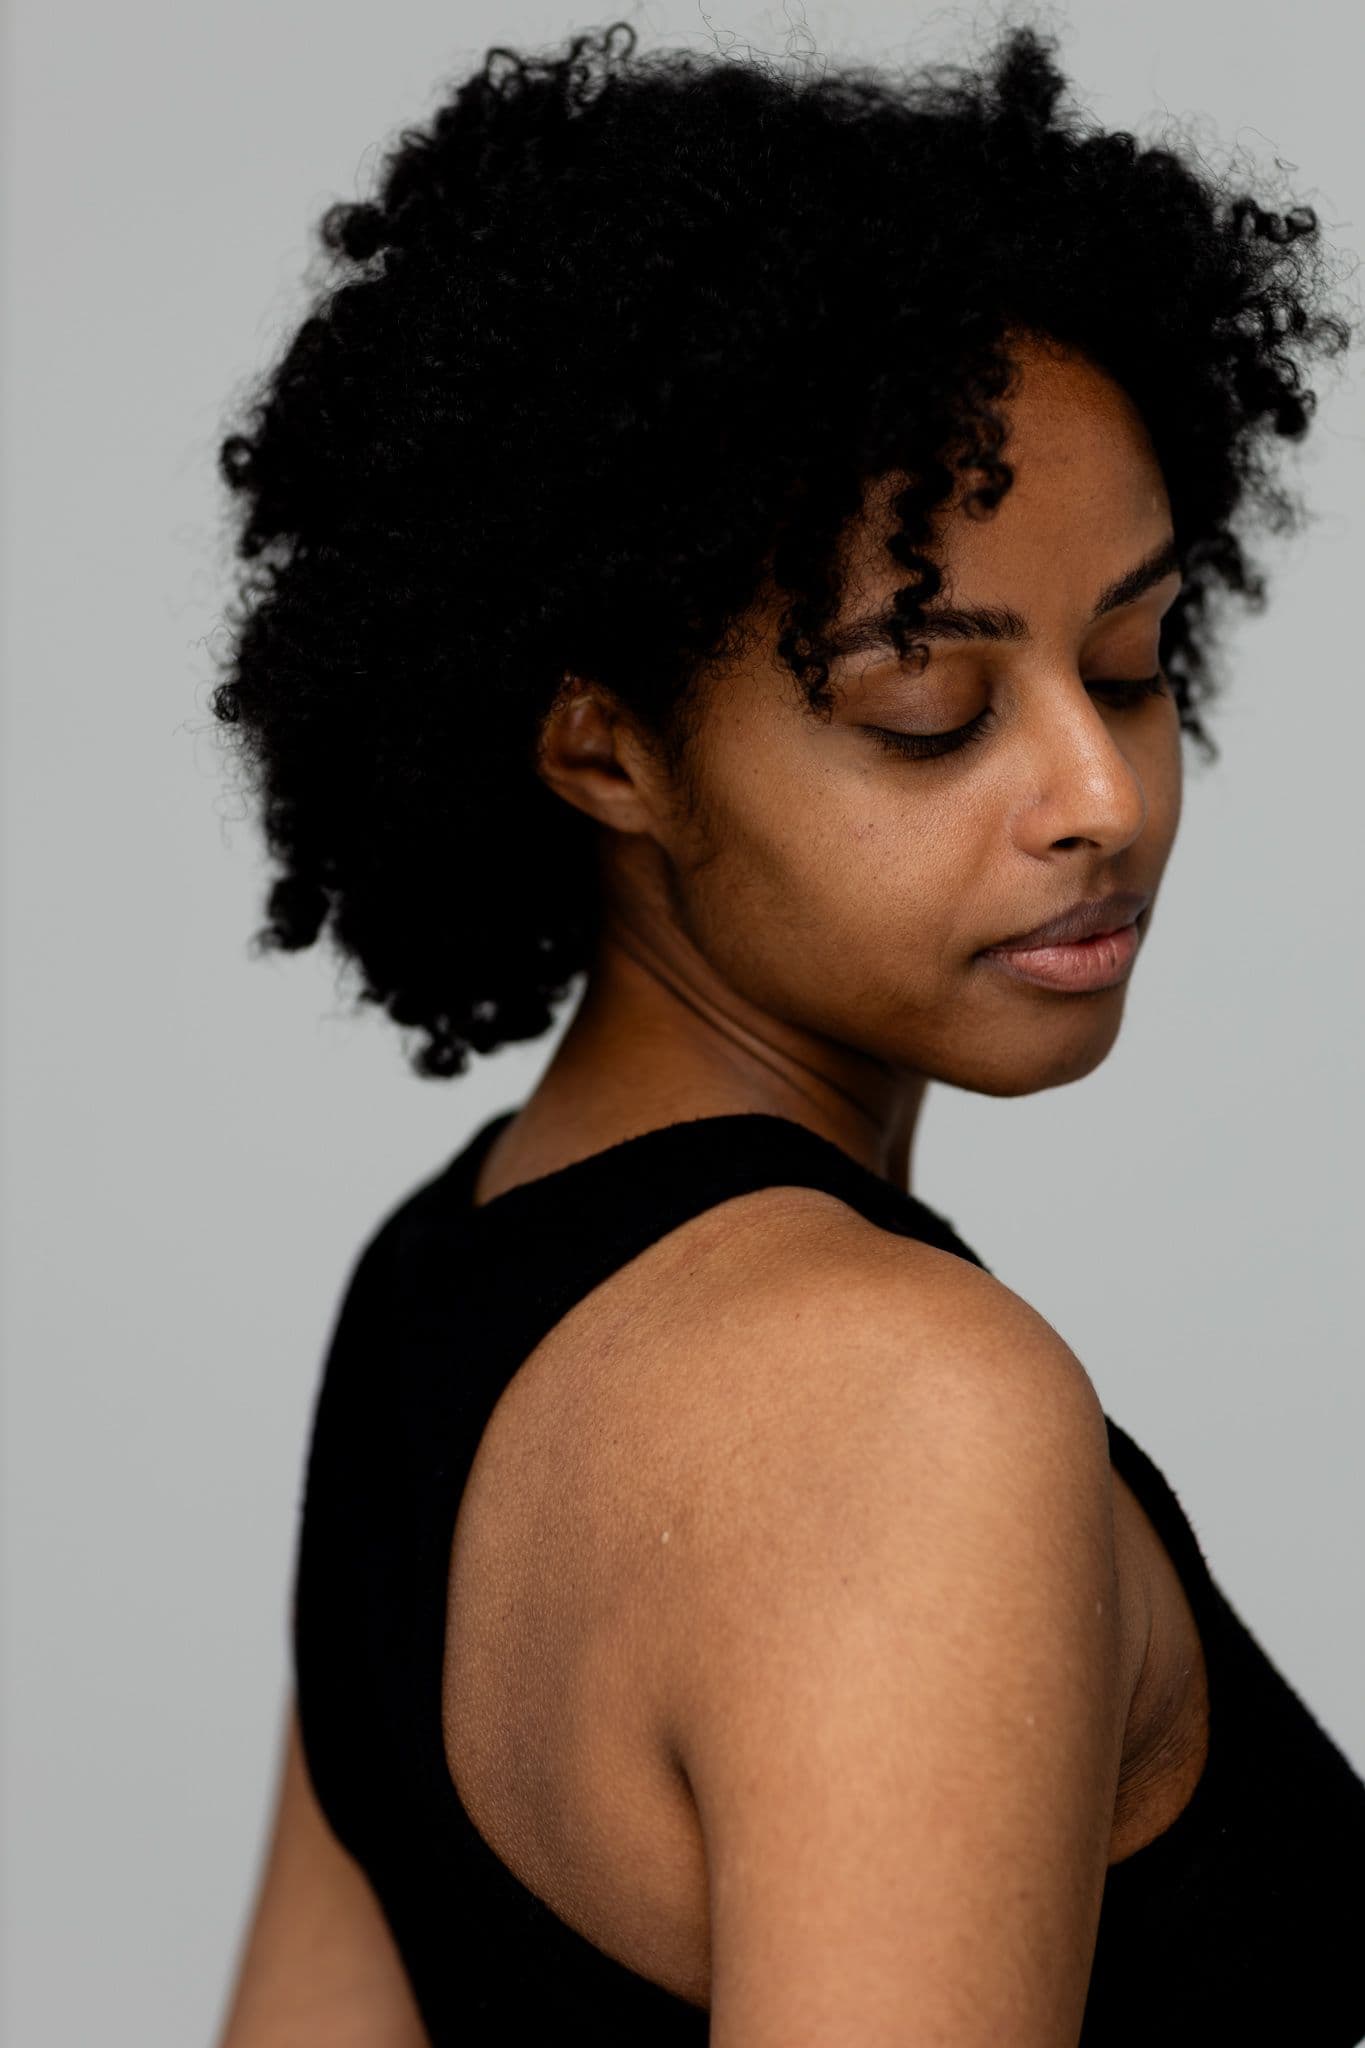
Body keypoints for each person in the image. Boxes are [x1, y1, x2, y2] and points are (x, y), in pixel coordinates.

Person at [209, 18, 1365, 2046]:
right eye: (927, 710)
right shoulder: (905, 1420)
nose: (1096, 793)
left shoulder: (430, 1288)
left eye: (1131, 656)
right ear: (606, 753)